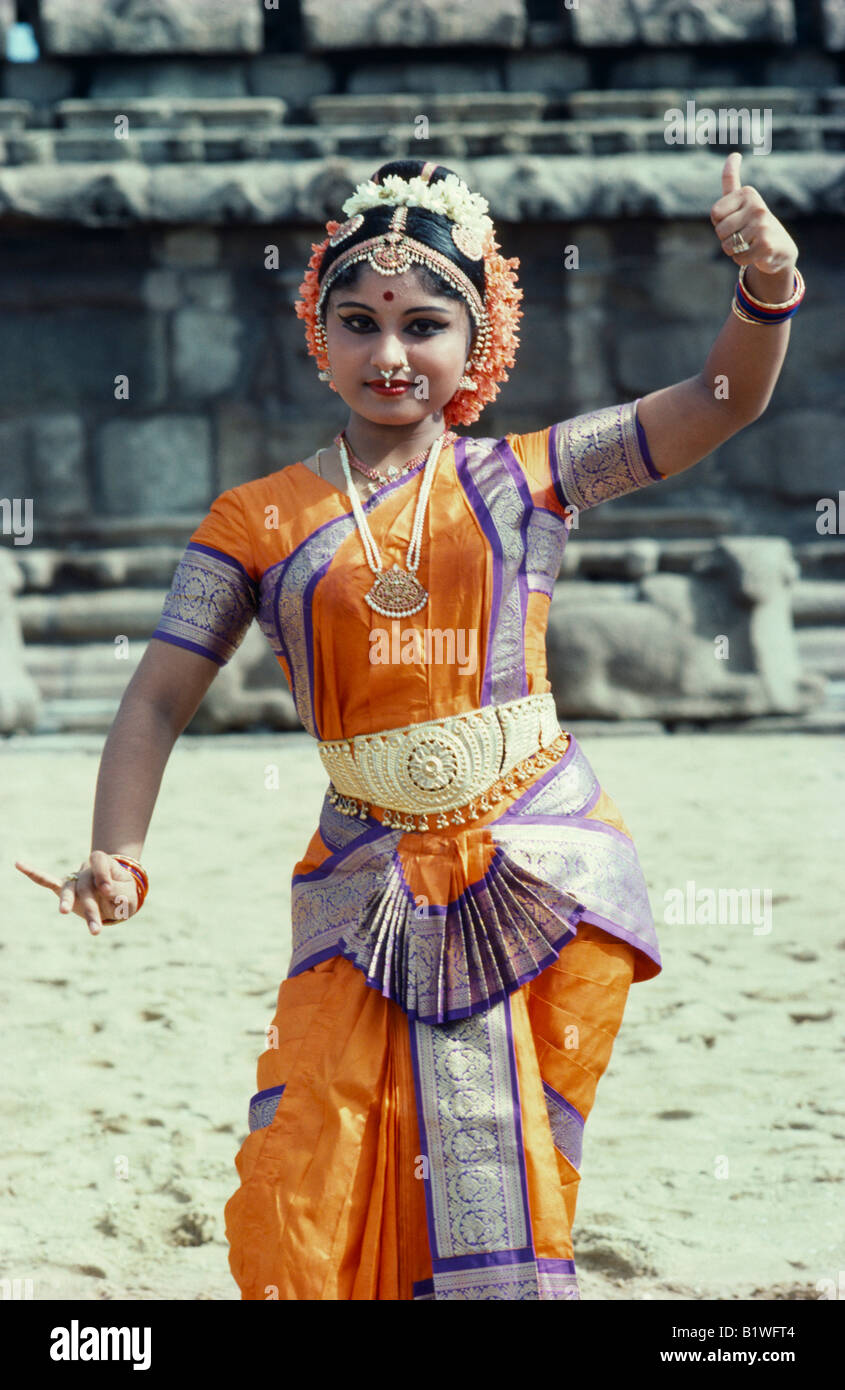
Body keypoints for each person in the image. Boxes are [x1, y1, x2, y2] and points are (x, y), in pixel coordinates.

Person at [16, 153, 802, 1300]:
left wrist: (765, 282)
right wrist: (117, 847)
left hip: (534, 860)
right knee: (307, 1160)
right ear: (317, 332)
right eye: (359, 321)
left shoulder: (526, 477)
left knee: (506, 1161)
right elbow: (157, 693)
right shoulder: (255, 521)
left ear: (475, 344)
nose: (389, 354)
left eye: (424, 323)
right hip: (364, 873)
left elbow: (716, 405)